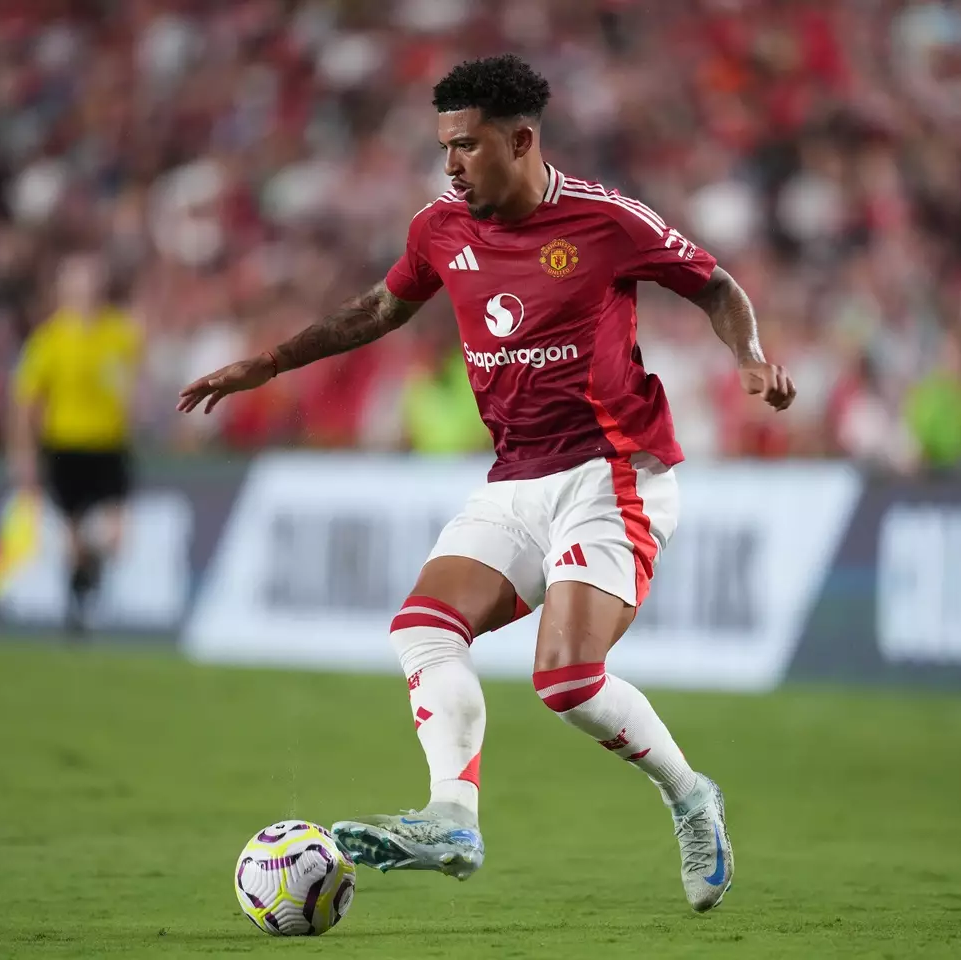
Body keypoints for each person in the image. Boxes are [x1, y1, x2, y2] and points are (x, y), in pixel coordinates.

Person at [178, 55, 794, 913]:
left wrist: (752, 360)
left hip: (612, 472)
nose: (452, 164)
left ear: (522, 139)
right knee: (422, 631)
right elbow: (378, 310)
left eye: (467, 146)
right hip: (515, 481)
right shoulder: (440, 229)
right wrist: (271, 361)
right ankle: (451, 819)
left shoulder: (606, 221)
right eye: (445, 147)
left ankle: (692, 797)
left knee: (565, 680)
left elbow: (717, 285)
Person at [10, 251, 142, 635]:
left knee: (117, 537)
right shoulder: (48, 340)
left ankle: (90, 575)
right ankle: (78, 595)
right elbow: (28, 403)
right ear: (63, 291)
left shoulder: (120, 333)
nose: (86, 291)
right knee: (71, 542)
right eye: (78, 284)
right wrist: (23, 454)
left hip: (109, 445)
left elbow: (133, 386)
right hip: (65, 445)